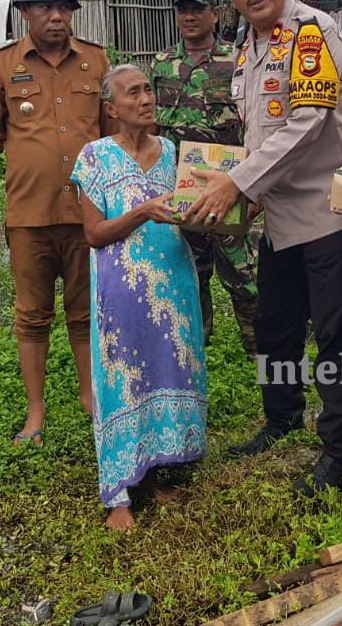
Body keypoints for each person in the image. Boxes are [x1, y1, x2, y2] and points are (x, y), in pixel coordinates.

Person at [182, 0, 342, 494]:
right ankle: (282, 416)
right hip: (279, 215)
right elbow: (258, 128)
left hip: (329, 212)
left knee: (335, 335)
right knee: (276, 325)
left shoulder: (313, 32)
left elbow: (306, 123)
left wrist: (236, 184)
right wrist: (237, 186)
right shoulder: (249, 44)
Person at [70, 65, 206, 531]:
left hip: (173, 282)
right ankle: (119, 495)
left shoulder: (171, 153)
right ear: (111, 108)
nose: (146, 99)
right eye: (133, 93)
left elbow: (189, 211)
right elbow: (94, 233)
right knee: (124, 383)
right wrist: (143, 210)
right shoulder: (94, 158)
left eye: (148, 89)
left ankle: (162, 469)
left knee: (168, 370)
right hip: (121, 291)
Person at [0, 0, 108, 445]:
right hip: (28, 217)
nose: (56, 17)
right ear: (25, 12)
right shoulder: (2, 65)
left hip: (87, 216)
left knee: (85, 313)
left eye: (65, 8)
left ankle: (91, 397)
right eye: (45, 8)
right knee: (32, 317)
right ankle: (36, 411)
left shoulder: (96, 61)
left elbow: (112, 141)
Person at [151, 0, 260, 352]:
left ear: (215, 14)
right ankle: (195, 350)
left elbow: (254, 124)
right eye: (183, 9)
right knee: (190, 276)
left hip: (230, 187)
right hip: (180, 190)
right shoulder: (162, 62)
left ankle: (259, 352)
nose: (189, 16)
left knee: (244, 277)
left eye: (197, 9)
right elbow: (152, 127)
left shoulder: (238, 60)